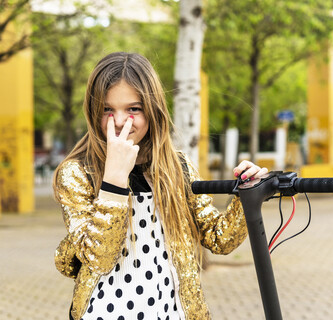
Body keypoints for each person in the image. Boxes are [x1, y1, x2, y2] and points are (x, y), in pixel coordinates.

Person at [53, 52, 268, 320]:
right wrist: (114, 180)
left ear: (152, 109)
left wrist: (246, 195)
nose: (120, 121)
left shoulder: (176, 167)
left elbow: (219, 238)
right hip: (105, 311)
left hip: (169, 310)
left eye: (133, 109)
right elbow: (99, 258)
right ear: (93, 111)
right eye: (108, 110)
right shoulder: (77, 172)